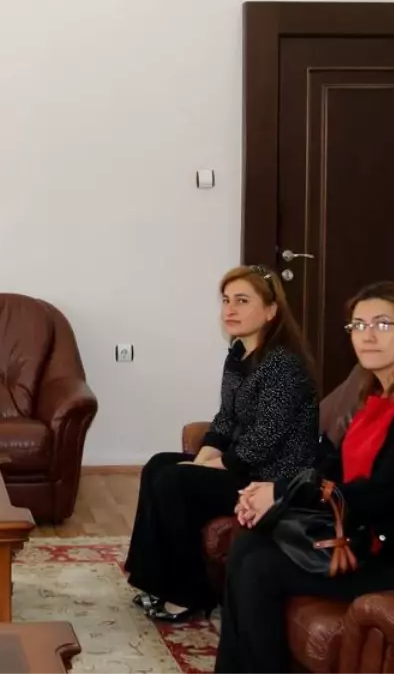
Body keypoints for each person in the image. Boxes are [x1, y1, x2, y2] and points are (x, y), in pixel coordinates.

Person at [217, 282, 394, 674]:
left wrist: (283, 493)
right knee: (249, 544)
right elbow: (335, 467)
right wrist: (269, 492)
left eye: (382, 324)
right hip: (368, 541)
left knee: (260, 568)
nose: (367, 335)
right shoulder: (377, 396)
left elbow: (386, 493)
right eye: (358, 326)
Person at [125, 265, 318, 622]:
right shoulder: (238, 354)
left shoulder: (283, 364)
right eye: (226, 300)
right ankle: (152, 579)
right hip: (245, 464)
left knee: (175, 481)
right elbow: (225, 419)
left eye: (242, 301)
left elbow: (262, 442)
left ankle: (189, 594)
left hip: (273, 479)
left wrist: (207, 468)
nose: (230, 309)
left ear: (271, 310)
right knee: (159, 465)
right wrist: (202, 459)